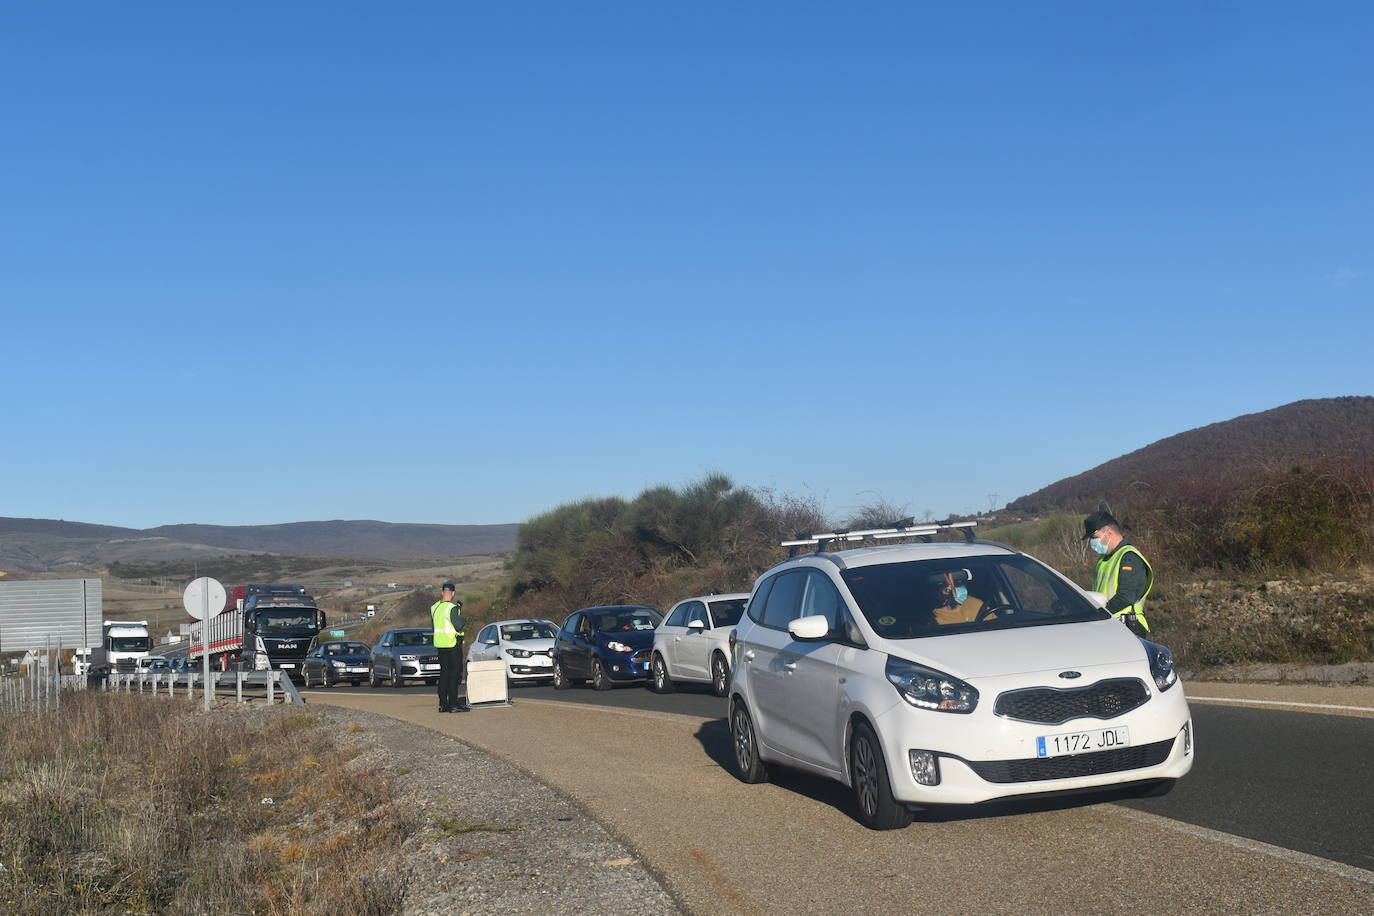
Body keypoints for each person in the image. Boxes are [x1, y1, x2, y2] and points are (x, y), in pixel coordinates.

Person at [1082, 509, 1153, 637]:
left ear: (1108, 532)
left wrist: (1100, 614)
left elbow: (1126, 596)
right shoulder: (1103, 559)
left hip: (1128, 628)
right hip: (1108, 625)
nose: (1092, 542)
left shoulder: (1129, 558)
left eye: (1094, 537)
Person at [431, 581, 468, 712]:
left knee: (443, 675)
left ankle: (443, 704)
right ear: (452, 594)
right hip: (452, 644)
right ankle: (453, 704)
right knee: (454, 675)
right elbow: (458, 625)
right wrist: (463, 617)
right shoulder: (451, 608)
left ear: (442, 593)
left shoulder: (434, 608)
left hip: (440, 645)